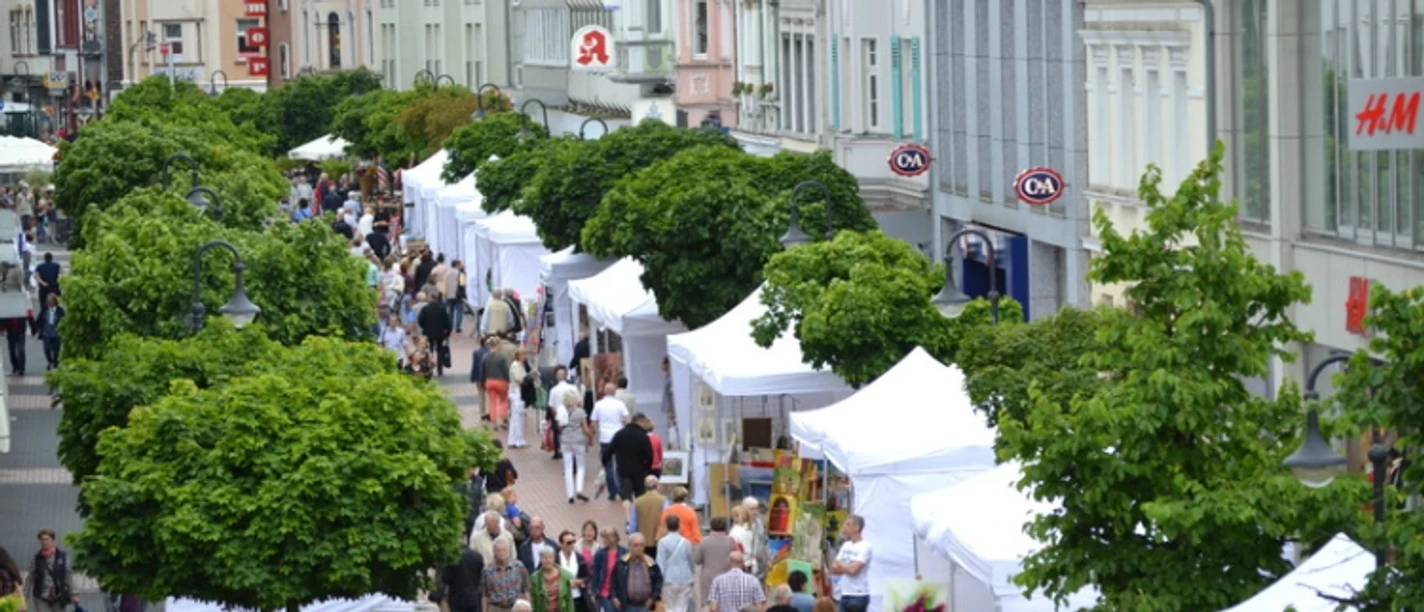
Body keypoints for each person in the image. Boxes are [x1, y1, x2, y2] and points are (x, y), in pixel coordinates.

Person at [590, 382, 629, 500]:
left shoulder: (598, 405)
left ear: (605, 391)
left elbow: (593, 422)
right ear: (614, 392)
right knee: (621, 464)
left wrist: (595, 434)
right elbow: (627, 420)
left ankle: (612, 491)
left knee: (608, 465)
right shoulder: (620, 404)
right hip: (619, 437)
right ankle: (622, 490)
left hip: (605, 438)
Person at [829, 515, 870, 612]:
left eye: (848, 524)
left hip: (858, 594)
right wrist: (848, 567)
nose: (844, 527)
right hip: (844, 593)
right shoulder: (845, 545)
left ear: (857, 527)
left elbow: (854, 570)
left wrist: (842, 566)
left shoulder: (865, 546)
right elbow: (834, 567)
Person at [654, 514, 694, 612]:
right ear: (679, 525)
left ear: (666, 526)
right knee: (683, 607)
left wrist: (658, 581)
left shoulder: (662, 542)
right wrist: (691, 574)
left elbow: (660, 563)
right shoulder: (686, 542)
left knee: (670, 607)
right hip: (685, 578)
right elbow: (690, 561)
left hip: (669, 579)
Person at [29, 529, 77, 612]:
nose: (44, 542)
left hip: (58, 595)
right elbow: (31, 577)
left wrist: (74, 593)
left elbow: (68, 576)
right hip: (41, 595)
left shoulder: (62, 556)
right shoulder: (37, 558)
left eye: (47, 539)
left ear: (52, 540)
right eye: (42, 540)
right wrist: (24, 595)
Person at [693, 518, 737, 605]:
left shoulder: (704, 541)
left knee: (709, 602)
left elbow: (697, 560)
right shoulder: (731, 541)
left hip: (708, 576)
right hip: (726, 574)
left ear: (711, 527)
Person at [559, 389, 593, 504]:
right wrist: (590, 438)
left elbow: (560, 426)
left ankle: (570, 494)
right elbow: (585, 428)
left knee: (567, 468)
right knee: (580, 466)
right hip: (578, 440)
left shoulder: (562, 410)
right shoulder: (580, 412)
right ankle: (579, 489)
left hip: (565, 440)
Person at [612, 533, 661, 612]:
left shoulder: (651, 563)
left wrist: (653, 598)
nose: (639, 548)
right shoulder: (621, 563)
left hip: (645, 606)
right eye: (636, 545)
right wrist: (614, 597)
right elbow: (613, 582)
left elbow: (658, 581)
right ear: (629, 546)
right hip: (627, 606)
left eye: (641, 545)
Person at [609, 414, 654, 500]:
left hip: (624, 470)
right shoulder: (643, 436)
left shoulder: (620, 434)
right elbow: (649, 454)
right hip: (639, 470)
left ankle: (628, 512)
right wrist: (647, 468)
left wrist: (605, 461)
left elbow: (610, 450)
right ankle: (638, 511)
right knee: (640, 494)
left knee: (626, 496)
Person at [482, 540, 530, 612]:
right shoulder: (487, 570)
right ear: (494, 552)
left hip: (516, 607)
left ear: (508, 551)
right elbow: (484, 595)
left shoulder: (519, 566)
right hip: (496, 608)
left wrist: (528, 607)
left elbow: (526, 589)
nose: (502, 553)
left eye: (504, 550)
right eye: (499, 551)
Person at [588, 529, 626, 612]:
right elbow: (595, 573)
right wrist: (593, 591)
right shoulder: (600, 553)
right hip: (605, 591)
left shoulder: (624, 552)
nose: (604, 541)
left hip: (620, 592)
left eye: (605, 538)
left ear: (613, 538)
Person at [418, 288, 453, 376]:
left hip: (428, 332)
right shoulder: (442, 309)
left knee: (429, 350)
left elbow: (420, 320)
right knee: (440, 350)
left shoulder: (425, 309)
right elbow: (447, 321)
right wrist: (448, 331)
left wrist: (424, 327)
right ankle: (439, 368)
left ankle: (429, 366)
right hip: (440, 333)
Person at [440, 547, 486, 612]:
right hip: (474, 596)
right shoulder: (477, 556)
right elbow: (480, 575)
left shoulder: (452, 558)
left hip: (457, 597)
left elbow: (446, 578)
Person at [555, 530, 591, 612]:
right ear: (561, 544)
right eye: (568, 542)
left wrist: (580, 581)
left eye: (573, 541)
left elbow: (587, 576)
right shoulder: (555, 559)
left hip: (577, 597)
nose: (572, 545)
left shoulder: (579, 558)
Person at [547, 366, 578, 461]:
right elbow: (578, 402)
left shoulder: (553, 390)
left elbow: (551, 405)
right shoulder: (573, 387)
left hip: (560, 416)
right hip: (572, 414)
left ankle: (566, 458)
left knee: (562, 437)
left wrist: (556, 416)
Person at [481, 337, 513, 429]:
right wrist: (508, 380)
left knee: (492, 402)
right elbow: (506, 371)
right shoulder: (502, 357)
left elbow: (483, 371)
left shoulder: (485, 357)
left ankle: (494, 422)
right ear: (498, 345)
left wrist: (484, 383)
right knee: (503, 401)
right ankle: (501, 420)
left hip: (489, 381)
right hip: (501, 381)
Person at [627, 475, 666, 546]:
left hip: (642, 540)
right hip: (659, 539)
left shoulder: (637, 501)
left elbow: (633, 523)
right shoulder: (663, 500)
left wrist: (632, 538)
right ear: (657, 486)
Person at [508, 347, 530, 448]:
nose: (525, 357)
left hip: (516, 392)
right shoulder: (516, 366)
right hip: (517, 392)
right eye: (523, 355)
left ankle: (513, 440)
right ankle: (518, 440)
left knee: (515, 417)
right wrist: (528, 379)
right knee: (518, 417)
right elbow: (519, 379)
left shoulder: (519, 365)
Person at [35, 294, 62, 370]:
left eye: (51, 300)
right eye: (48, 300)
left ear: (55, 301)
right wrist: (36, 329)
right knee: (47, 349)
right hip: (46, 332)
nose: (49, 302)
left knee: (56, 350)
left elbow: (63, 320)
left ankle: (55, 361)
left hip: (56, 333)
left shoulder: (60, 310)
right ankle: (50, 361)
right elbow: (39, 320)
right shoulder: (44, 309)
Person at [728, 506, 756, 575]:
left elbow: (732, 547)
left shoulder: (735, 531)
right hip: (751, 562)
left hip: (740, 564)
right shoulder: (751, 529)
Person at [0, 547, 22, 612]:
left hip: (4, 604)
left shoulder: (2, 572)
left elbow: (6, 590)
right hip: (11, 603)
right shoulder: (11, 570)